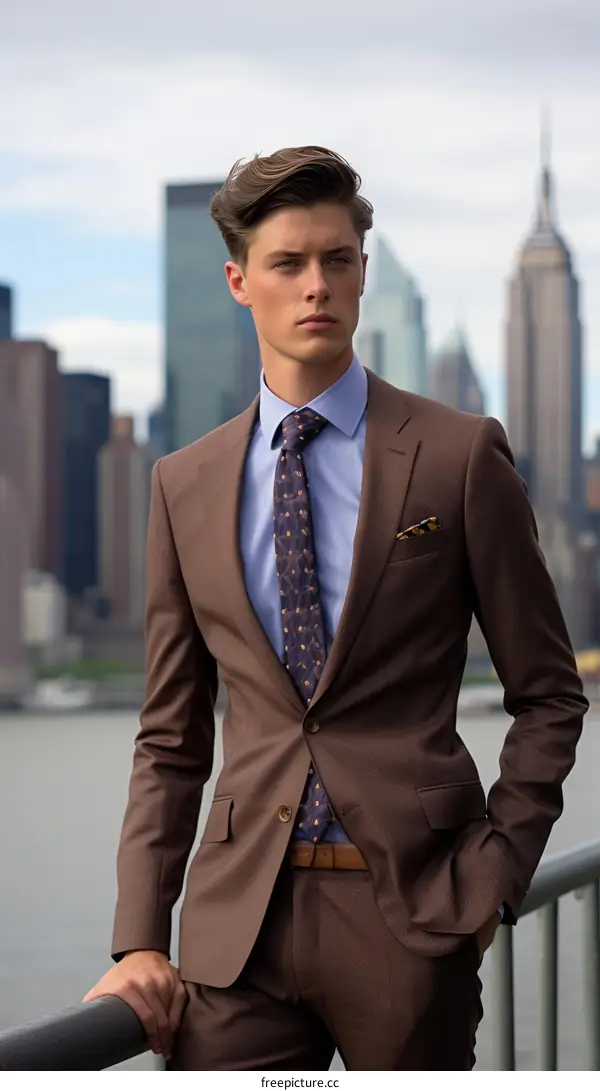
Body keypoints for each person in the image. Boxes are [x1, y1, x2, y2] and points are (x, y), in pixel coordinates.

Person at [83, 145, 588, 1070]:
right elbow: (171, 736)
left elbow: (550, 694)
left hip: (414, 914)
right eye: (287, 263)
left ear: (361, 271)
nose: (316, 285)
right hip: (237, 930)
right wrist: (139, 939)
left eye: (337, 260)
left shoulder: (457, 453)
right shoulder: (182, 483)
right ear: (240, 282)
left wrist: (496, 874)